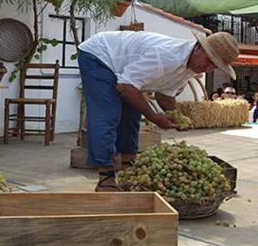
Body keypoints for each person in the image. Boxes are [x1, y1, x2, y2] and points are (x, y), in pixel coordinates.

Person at [78, 30, 239, 192]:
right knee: (107, 114)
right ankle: (106, 177)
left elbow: (165, 96)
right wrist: (154, 117)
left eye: (214, 66)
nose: (207, 68)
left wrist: (176, 116)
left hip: (123, 71)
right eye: (209, 60)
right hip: (99, 55)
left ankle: (127, 166)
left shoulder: (190, 69)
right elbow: (126, 86)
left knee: (132, 113)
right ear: (198, 47)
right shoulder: (168, 56)